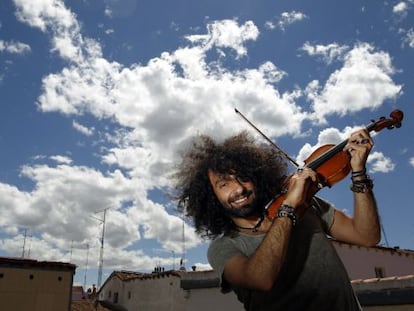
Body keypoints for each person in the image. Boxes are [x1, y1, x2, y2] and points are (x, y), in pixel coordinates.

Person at [173, 130, 380, 310]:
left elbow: (367, 237)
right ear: (211, 197)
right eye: (224, 184)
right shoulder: (223, 247)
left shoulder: (308, 205)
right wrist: (289, 207)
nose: (239, 189)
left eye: (243, 177)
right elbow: (260, 279)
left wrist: (359, 173)